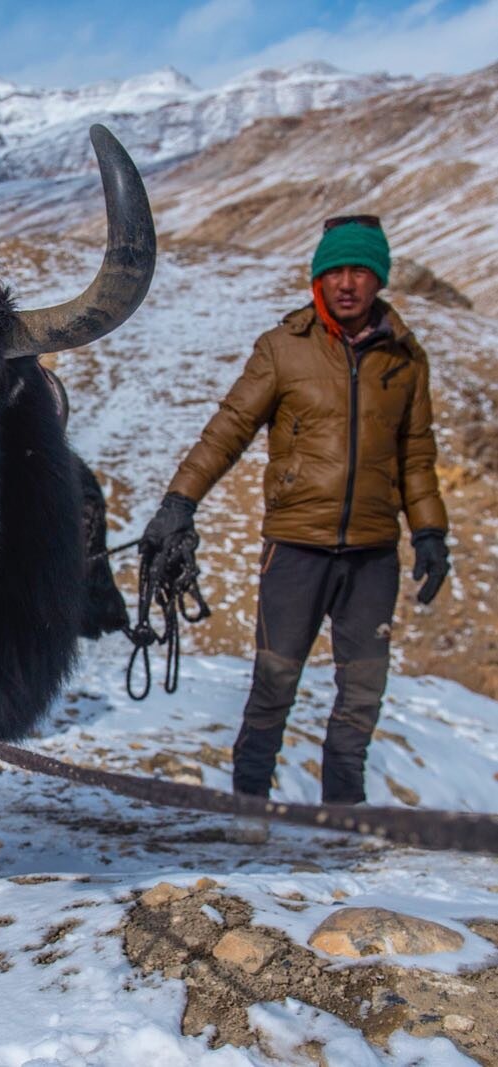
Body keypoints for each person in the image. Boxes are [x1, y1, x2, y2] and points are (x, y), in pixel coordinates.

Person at [140, 215, 450, 806]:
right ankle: (249, 808)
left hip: (373, 552)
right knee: (275, 683)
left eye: (360, 270)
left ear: (378, 278)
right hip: (296, 546)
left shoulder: (405, 360)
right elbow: (227, 430)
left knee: (362, 692)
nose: (348, 283)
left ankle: (342, 815)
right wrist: (179, 502)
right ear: (318, 278)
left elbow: (416, 453)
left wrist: (431, 532)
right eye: (335, 270)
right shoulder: (284, 349)